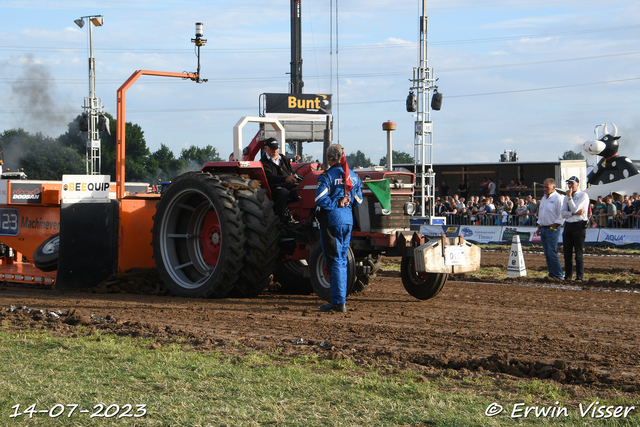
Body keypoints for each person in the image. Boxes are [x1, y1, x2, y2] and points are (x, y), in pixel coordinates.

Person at [315, 144, 363, 312]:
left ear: (329, 158)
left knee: (335, 260)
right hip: (347, 222)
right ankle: (339, 299)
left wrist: (335, 202)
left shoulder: (326, 176)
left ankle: (338, 301)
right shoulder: (354, 177)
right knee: (342, 259)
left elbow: (319, 199)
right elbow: (358, 201)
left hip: (331, 222)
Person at [260, 137, 300, 223]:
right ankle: (280, 221)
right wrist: (286, 179)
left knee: (302, 191)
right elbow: (270, 177)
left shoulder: (283, 158)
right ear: (265, 149)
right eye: (272, 149)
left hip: (289, 186)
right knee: (283, 192)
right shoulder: (263, 162)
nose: (275, 151)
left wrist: (294, 176)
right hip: (275, 189)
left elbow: (290, 171)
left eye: (276, 148)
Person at [561, 176, 589, 281]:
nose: (570, 186)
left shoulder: (583, 195)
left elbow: (575, 208)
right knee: (567, 253)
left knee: (578, 254)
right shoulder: (566, 197)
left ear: (577, 184)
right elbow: (563, 213)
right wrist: (573, 213)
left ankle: (579, 277)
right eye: (569, 183)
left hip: (579, 225)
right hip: (568, 225)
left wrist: (569, 198)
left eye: (572, 183)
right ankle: (568, 276)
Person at [537, 178, 564, 279]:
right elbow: (541, 214)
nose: (544, 189)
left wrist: (554, 227)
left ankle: (558, 274)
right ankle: (552, 273)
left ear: (553, 187)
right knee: (547, 253)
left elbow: (561, 215)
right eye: (543, 187)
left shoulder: (558, 198)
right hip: (544, 228)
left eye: (546, 187)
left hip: (552, 228)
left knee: (552, 252)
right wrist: (539, 226)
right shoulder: (544, 198)